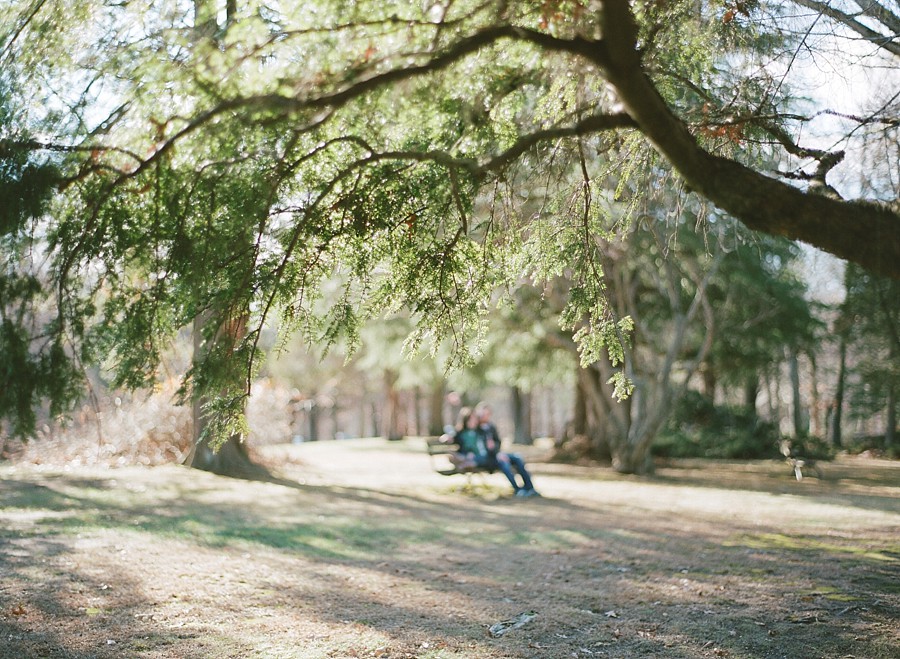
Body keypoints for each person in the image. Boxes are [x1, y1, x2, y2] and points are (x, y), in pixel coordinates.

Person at [475, 402, 540, 498]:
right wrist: (493, 451)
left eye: (488, 414)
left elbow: (498, 441)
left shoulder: (491, 427)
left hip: (497, 453)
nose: (486, 416)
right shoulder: (476, 429)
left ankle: (529, 488)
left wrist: (496, 450)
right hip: (488, 458)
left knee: (517, 458)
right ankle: (517, 489)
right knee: (504, 463)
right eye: (484, 414)